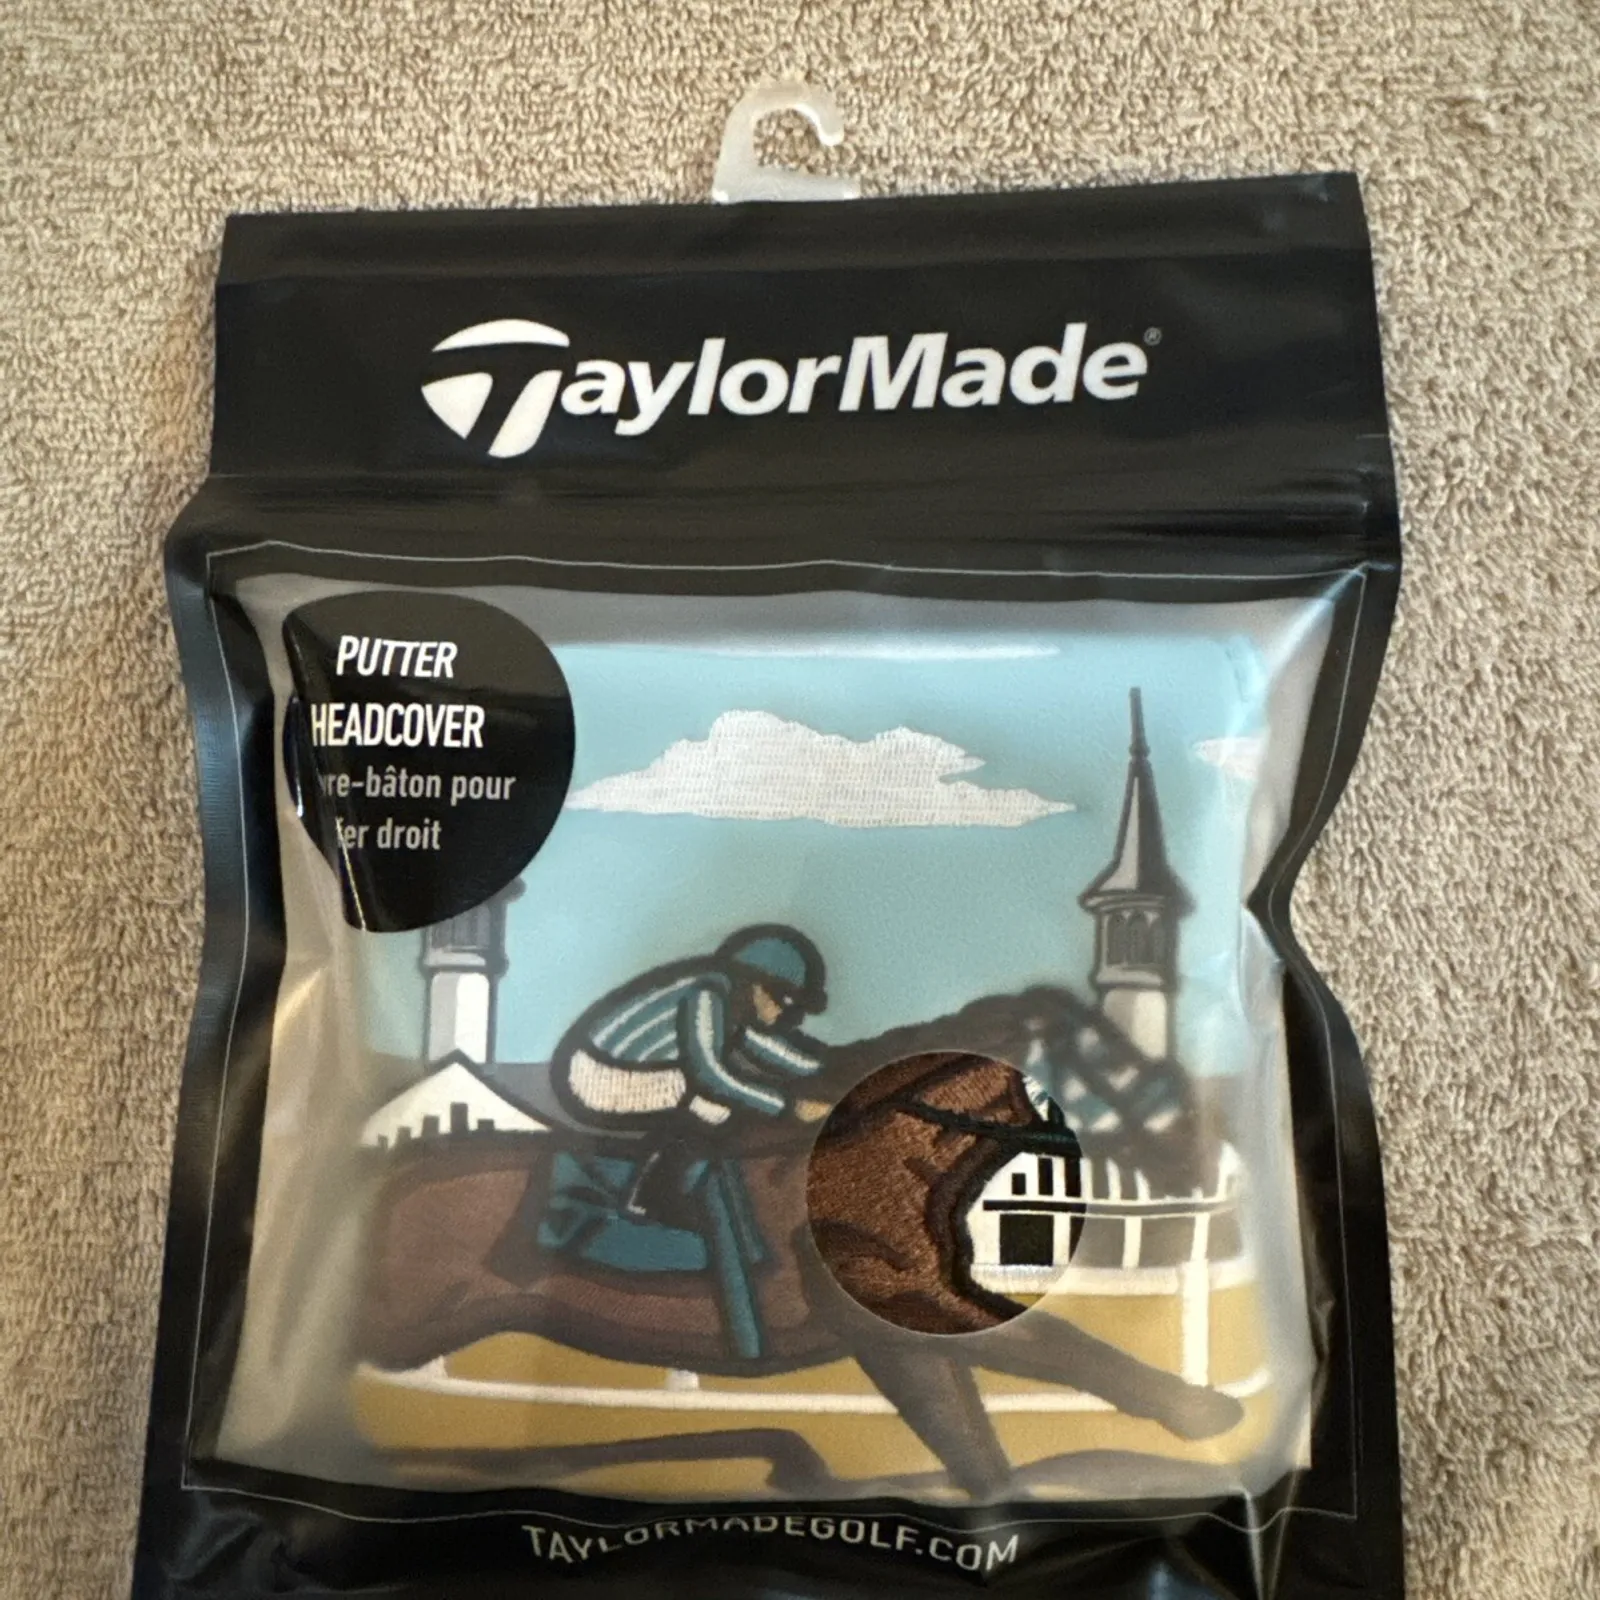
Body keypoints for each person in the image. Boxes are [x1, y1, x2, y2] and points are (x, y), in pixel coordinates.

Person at [547, 926, 829, 1359]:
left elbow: (775, 1054)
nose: (786, 1016)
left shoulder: (733, 1004)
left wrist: (835, 1071)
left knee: (714, 1101)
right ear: (756, 982)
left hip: (631, 1068)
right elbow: (710, 1075)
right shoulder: (707, 994)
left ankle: (664, 1185)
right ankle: (651, 1194)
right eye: (785, 1002)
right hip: (597, 1072)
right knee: (710, 1103)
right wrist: (788, 1107)